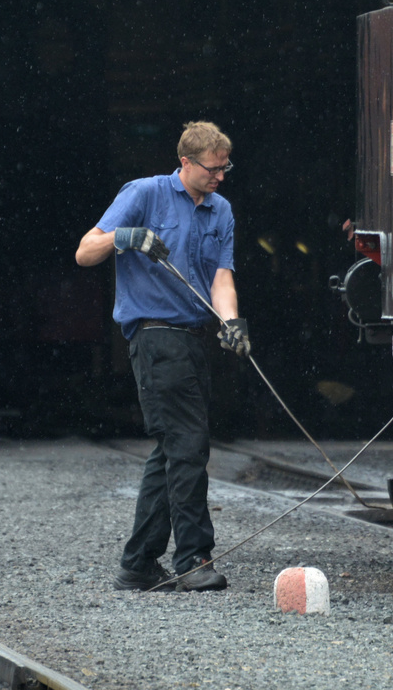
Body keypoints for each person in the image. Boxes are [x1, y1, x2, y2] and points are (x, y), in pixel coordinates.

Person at [75, 121, 250, 592]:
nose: (220, 177)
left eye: (225, 168)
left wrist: (231, 320)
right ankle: (193, 558)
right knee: (190, 445)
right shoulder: (144, 194)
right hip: (155, 338)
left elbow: (221, 277)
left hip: (194, 339)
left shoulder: (221, 210)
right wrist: (125, 237)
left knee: (172, 449)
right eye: (213, 169)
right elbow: (84, 251)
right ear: (186, 163)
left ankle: (138, 563)